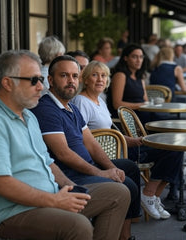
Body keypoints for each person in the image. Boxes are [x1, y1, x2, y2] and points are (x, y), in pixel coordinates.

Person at [0, 50, 130, 240]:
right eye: (34, 80)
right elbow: (1, 183)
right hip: (15, 211)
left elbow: (49, 163)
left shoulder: (28, 116)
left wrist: (72, 188)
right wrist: (55, 200)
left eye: (40, 80)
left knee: (119, 192)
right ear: (7, 83)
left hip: (52, 193)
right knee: (78, 226)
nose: (40, 87)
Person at [30, 55, 139, 240]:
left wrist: (111, 168)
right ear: (50, 80)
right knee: (126, 186)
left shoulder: (71, 107)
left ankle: (124, 234)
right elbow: (63, 154)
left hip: (85, 167)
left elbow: (91, 144)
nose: (71, 81)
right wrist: (101, 173)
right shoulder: (46, 109)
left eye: (74, 76)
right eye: (64, 75)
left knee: (129, 167)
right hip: (70, 174)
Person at [72, 60, 183, 219]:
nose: (100, 79)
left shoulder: (99, 101)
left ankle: (151, 195)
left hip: (119, 147)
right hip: (107, 155)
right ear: (86, 79)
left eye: (103, 75)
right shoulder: (81, 101)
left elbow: (111, 131)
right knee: (171, 150)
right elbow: (82, 136)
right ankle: (149, 195)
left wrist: (135, 141)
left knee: (174, 148)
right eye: (95, 75)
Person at [107, 43, 151, 125]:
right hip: (128, 119)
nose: (139, 60)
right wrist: (140, 105)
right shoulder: (120, 75)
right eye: (134, 57)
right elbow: (117, 104)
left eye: (141, 57)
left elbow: (146, 100)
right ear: (125, 58)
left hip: (141, 115)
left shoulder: (140, 77)